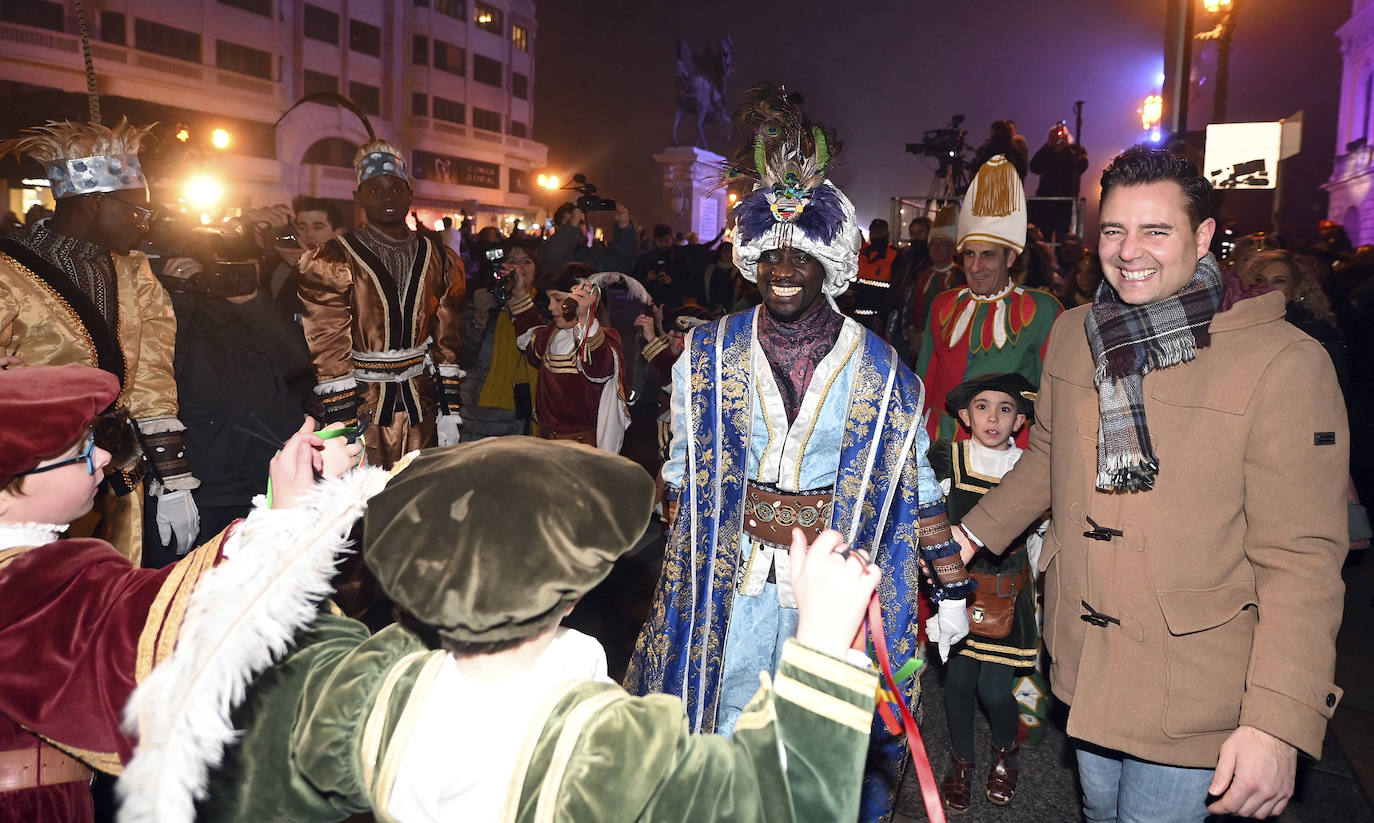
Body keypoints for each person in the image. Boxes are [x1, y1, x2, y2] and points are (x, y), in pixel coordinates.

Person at [951, 146, 1349, 822]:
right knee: (1099, 809)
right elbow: (1047, 458)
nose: (1128, 251)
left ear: (1203, 237)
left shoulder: (1285, 362)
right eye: (1113, 230)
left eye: (1155, 231)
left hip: (1197, 681)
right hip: (1087, 661)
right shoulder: (1078, 333)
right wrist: (967, 532)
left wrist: (1280, 720)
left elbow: (1303, 559)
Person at [624, 89, 973, 823]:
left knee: (815, 756)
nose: (783, 265)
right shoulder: (707, 355)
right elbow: (684, 475)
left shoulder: (882, 371)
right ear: (750, 256)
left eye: (801, 252)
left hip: (831, 596)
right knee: (718, 750)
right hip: (727, 590)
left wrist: (950, 587)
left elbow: (918, 483)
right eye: (769, 251)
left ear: (831, 262)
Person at [0, 364, 364, 822]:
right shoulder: (27, 581)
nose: (104, 459)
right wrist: (284, 512)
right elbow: (154, 631)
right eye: (80, 453)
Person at [0, 119, 201, 564]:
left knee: (109, 595)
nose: (145, 225)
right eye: (136, 210)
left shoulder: (135, 270)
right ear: (93, 202)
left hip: (119, 471)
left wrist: (172, 475)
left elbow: (152, 373)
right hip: (34, 479)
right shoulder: (8, 269)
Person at [296, 139, 466, 468]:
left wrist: (451, 411)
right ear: (357, 197)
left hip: (422, 403)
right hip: (362, 405)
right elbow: (328, 342)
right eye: (374, 190)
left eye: (395, 188)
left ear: (410, 194)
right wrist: (341, 422)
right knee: (360, 502)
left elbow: (446, 338)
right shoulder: (333, 258)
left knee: (417, 496)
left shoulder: (440, 258)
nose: (387, 197)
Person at [928, 372, 1041, 814]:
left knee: (995, 693)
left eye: (1006, 409)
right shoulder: (947, 459)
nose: (993, 417)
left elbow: (1038, 542)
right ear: (963, 415)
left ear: (1019, 422)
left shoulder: (1028, 470)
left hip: (1009, 600)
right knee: (957, 686)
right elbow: (928, 521)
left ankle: (1004, 752)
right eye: (982, 407)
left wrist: (1043, 601)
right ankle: (962, 764)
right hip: (960, 595)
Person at [154, 250, 315, 555]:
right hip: (212, 478)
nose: (225, 277)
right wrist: (177, 295)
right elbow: (159, 372)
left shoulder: (258, 308)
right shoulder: (175, 311)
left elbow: (298, 363)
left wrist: (253, 301)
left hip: (268, 472)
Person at [916, 155, 1062, 443]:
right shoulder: (943, 304)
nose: (975, 267)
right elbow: (924, 379)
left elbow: (1056, 392)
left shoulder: (1044, 310)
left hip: (1012, 449)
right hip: (943, 445)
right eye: (969, 254)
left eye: (987, 255)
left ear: (1010, 257)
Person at [509, 270, 632, 451]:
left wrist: (585, 318)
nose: (550, 307)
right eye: (549, 299)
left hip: (582, 449)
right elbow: (531, 340)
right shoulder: (552, 333)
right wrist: (520, 293)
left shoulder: (601, 340)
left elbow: (599, 367)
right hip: (546, 443)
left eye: (558, 300)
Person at [460, 239, 540, 439]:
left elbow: (540, 350)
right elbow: (464, 356)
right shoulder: (484, 301)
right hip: (482, 410)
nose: (519, 267)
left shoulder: (547, 307)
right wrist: (479, 320)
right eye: (512, 260)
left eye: (526, 261)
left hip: (525, 407)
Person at [267, 196, 346, 318]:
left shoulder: (351, 271)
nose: (309, 234)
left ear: (338, 233)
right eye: (302, 227)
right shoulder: (283, 267)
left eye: (318, 227)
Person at [905, 204, 964, 358]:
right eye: (932, 244)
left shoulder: (960, 277)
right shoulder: (923, 274)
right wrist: (911, 330)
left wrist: (927, 336)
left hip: (942, 344)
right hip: (916, 343)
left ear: (953, 249)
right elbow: (910, 304)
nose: (935, 248)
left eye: (941, 244)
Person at [1028, 122, 1089, 243]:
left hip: (1065, 203)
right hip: (1046, 203)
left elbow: (1081, 166)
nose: (1058, 137)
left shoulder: (1075, 150)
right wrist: (1048, 146)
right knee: (1043, 239)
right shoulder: (1048, 151)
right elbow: (1034, 167)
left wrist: (1066, 148)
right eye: (1054, 135)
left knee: (1064, 240)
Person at [632, 223, 696, 309]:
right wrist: (646, 278)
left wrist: (672, 281)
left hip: (674, 307)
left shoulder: (682, 260)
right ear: (654, 240)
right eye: (660, 240)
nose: (664, 244)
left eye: (666, 240)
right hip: (649, 306)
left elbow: (690, 283)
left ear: (672, 239)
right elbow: (632, 282)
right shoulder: (644, 260)